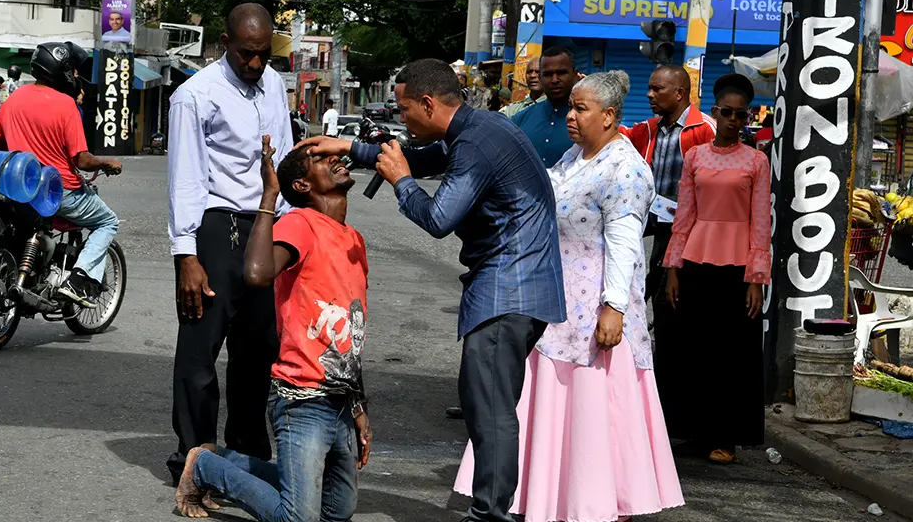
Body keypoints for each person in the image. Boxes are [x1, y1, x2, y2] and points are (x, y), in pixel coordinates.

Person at [299, 58, 566, 522]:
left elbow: (439, 218)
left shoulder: (477, 142)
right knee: (484, 402)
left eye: (404, 110)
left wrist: (401, 182)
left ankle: (490, 515)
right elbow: (427, 159)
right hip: (514, 286)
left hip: (510, 287)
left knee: (490, 409)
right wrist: (354, 148)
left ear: (427, 102)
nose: (401, 119)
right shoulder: (475, 130)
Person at [454, 71, 684, 522]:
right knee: (547, 401)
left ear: (610, 116)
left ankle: (589, 501)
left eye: (581, 110)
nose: (572, 117)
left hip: (595, 305)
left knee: (589, 411)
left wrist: (613, 307)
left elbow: (624, 244)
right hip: (556, 300)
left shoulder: (626, 169)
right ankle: (543, 497)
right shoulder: (575, 156)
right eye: (573, 108)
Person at [175, 136, 373, 520]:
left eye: (336, 155)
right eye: (322, 159)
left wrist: (360, 404)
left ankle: (223, 459)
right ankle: (204, 467)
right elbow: (257, 273)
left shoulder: (353, 240)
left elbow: (353, 331)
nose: (336, 160)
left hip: (340, 401)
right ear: (301, 186)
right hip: (303, 400)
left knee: (337, 512)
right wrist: (269, 195)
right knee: (298, 518)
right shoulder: (300, 223)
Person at [166, 3, 292, 484]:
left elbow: (280, 162)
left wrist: (290, 226)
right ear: (225, 43)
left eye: (263, 55)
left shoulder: (275, 84)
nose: (255, 65)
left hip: (265, 225)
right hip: (216, 228)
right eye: (246, 54)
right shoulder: (195, 96)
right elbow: (184, 179)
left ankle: (246, 455)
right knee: (199, 353)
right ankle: (194, 459)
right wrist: (187, 255)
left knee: (258, 350)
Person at [660, 73, 771, 464]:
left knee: (732, 354)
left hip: (737, 267)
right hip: (694, 261)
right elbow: (684, 216)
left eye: (742, 115)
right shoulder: (694, 157)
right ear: (715, 112)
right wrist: (672, 268)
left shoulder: (757, 161)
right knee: (693, 349)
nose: (734, 120)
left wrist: (756, 279)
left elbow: (761, 221)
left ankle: (725, 437)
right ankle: (692, 433)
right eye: (727, 112)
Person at [0, 42, 122, 306]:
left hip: (19, 187)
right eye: (73, 71)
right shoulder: (65, 105)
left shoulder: (14, 99)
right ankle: (78, 280)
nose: (75, 76)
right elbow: (82, 161)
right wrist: (107, 163)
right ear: (60, 70)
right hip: (59, 190)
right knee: (108, 222)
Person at [619, 65, 715, 335]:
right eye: (649, 87)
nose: (649, 94)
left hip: (689, 229)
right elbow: (615, 135)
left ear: (679, 93)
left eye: (657, 89)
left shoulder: (705, 130)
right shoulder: (648, 129)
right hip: (653, 221)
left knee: (669, 291)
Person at [511, 46, 580, 167]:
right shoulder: (520, 119)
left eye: (561, 73)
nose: (554, 80)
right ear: (541, 78)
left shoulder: (589, 123)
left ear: (575, 75)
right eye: (548, 74)